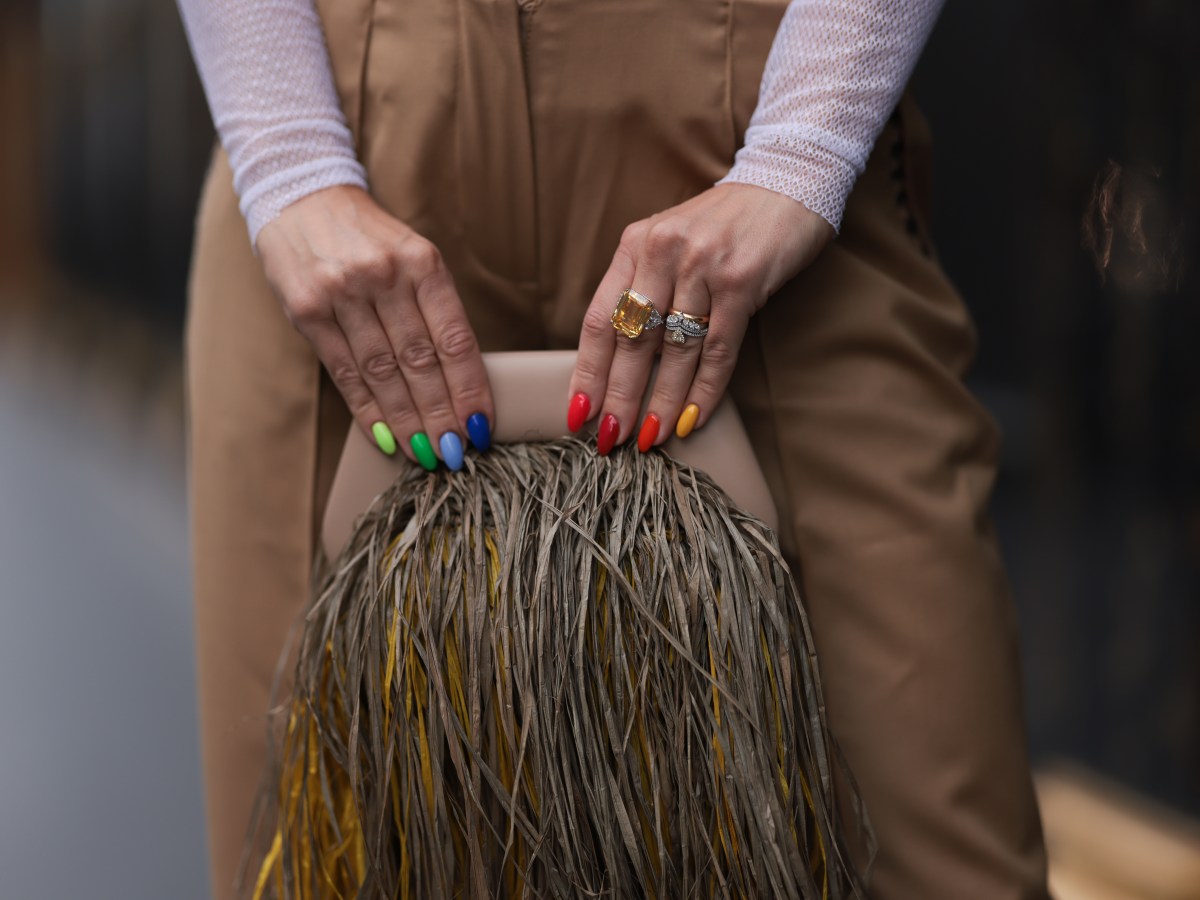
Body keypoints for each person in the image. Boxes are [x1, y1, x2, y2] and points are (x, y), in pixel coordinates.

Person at [177, 0, 1052, 897]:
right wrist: (288, 159)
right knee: (309, 855)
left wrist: (804, 147)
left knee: (945, 852)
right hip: (338, 159)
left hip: (755, 131)